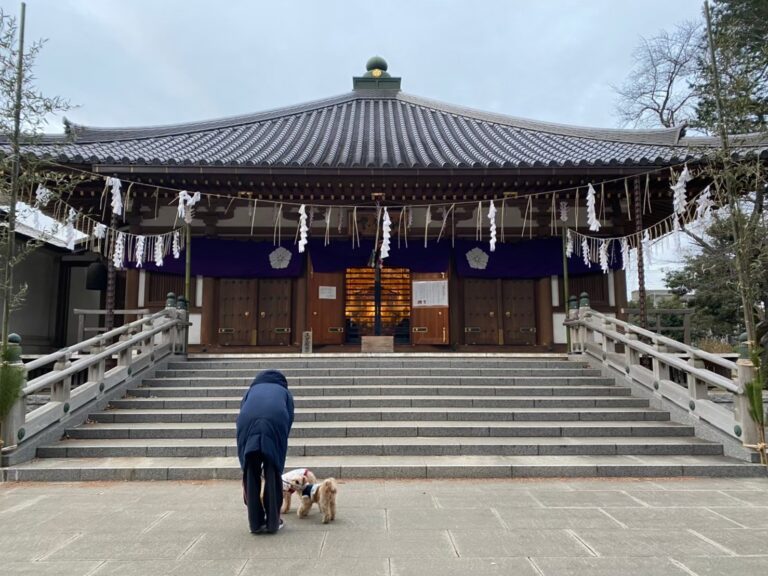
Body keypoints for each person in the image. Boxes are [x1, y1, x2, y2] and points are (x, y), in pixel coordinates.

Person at [236, 369, 295, 534]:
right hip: (275, 424)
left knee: (251, 470)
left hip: (247, 425)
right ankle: (273, 523)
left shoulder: (251, 390)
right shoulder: (284, 392)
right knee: (272, 470)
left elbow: (243, 409)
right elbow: (289, 419)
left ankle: (255, 523)